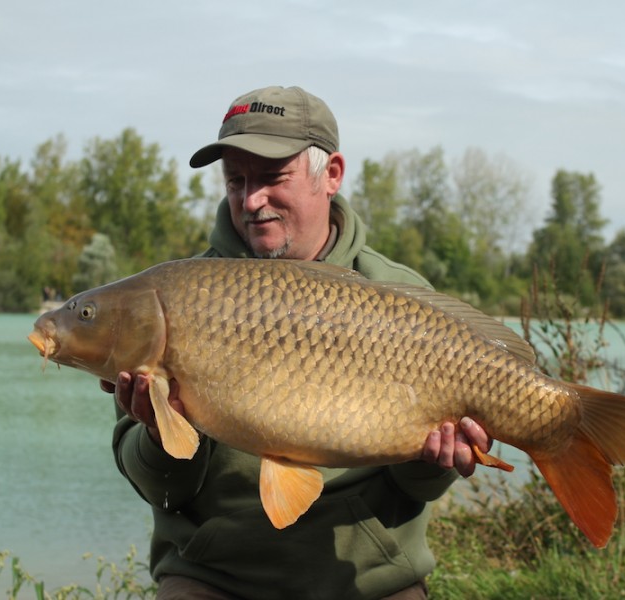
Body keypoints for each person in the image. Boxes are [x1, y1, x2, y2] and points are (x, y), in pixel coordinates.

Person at [103, 86, 491, 600]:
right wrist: (159, 436)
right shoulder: (177, 297)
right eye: (236, 181)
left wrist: (429, 463)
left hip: (369, 579)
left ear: (330, 175)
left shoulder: (402, 298)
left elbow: (411, 494)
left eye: (270, 178)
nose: (251, 199)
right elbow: (162, 492)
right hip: (214, 577)